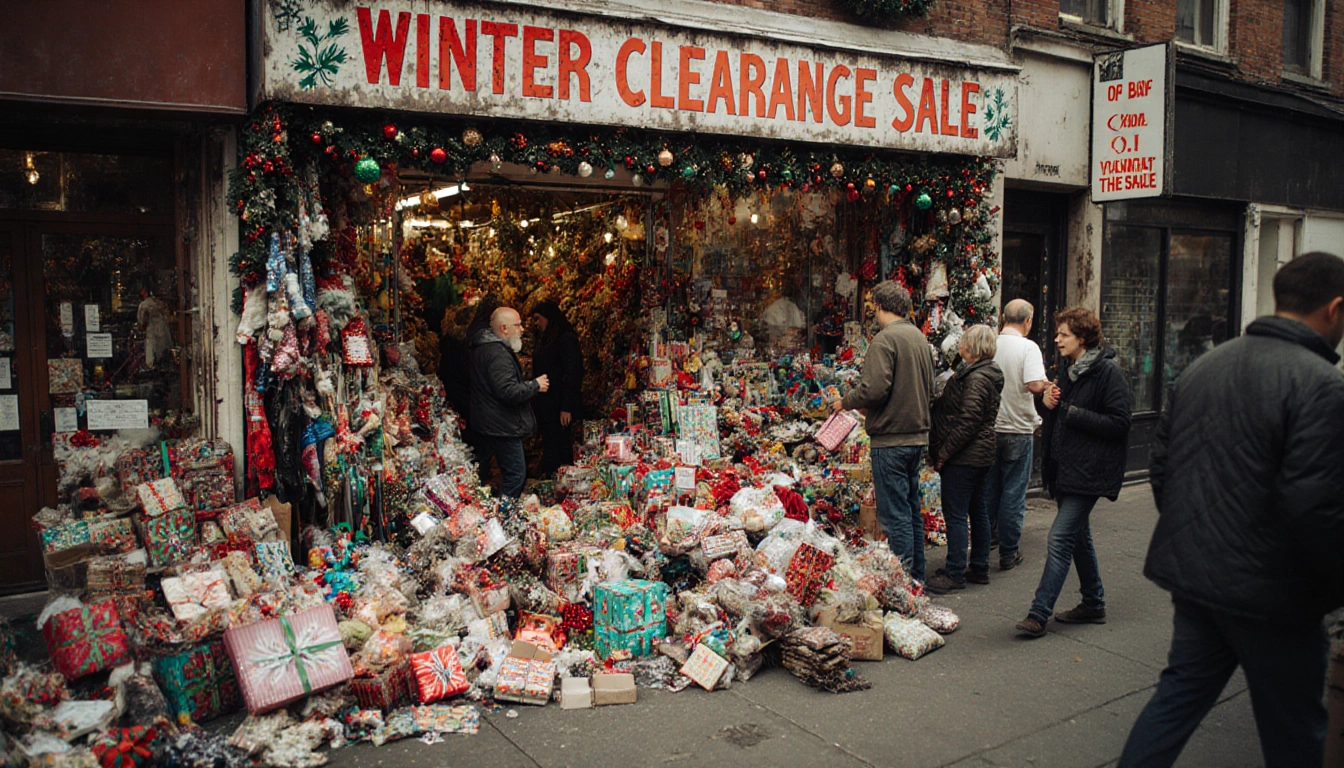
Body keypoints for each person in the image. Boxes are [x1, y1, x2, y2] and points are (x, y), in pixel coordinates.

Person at [1119, 252, 1344, 768]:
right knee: (1294, 730)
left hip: (1200, 578)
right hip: (1275, 594)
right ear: (1334, 309)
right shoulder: (1322, 387)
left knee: (1176, 700)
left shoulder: (1205, 366)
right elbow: (1316, 509)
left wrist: (1194, 534)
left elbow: (1162, 466)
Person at [1015, 306, 1131, 638]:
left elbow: (1121, 423)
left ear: (1082, 338)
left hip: (1089, 471)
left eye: (1063, 334)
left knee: (1061, 537)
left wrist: (1073, 412)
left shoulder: (1109, 373)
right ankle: (1093, 602)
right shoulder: (1069, 370)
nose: (1057, 340)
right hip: (1065, 468)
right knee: (1079, 536)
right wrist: (1045, 403)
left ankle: (1039, 614)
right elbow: (1057, 412)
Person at [832, 281, 935, 581]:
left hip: (891, 440)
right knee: (912, 510)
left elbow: (874, 390)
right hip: (916, 437)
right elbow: (930, 390)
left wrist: (846, 401)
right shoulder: (919, 338)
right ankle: (917, 578)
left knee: (895, 516)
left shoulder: (884, 340)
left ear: (879, 306)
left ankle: (904, 583)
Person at [925, 324, 1004, 594]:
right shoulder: (982, 374)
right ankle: (979, 566)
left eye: (962, 342)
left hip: (965, 456)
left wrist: (945, 452)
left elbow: (969, 420)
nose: (958, 346)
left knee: (956, 513)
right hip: (978, 454)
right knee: (977, 509)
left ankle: (955, 571)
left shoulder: (977, 377)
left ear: (971, 348)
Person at [984, 299, 1049, 571]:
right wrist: (1048, 384)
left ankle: (987, 540)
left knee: (989, 489)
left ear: (1002, 317)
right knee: (1013, 492)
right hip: (1018, 429)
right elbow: (1034, 384)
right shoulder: (1028, 347)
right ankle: (1009, 552)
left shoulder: (989, 344)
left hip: (990, 429)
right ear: (1028, 321)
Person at [468, 307, 548, 498]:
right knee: (516, 474)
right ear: (504, 328)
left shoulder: (485, 348)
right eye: (517, 325)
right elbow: (508, 391)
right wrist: (535, 386)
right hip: (501, 426)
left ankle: (485, 512)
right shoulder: (497, 354)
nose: (522, 330)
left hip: (488, 423)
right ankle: (505, 517)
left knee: (480, 472)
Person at [530, 300, 584, 476]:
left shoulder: (565, 339)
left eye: (538, 319)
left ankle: (563, 482)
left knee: (561, 444)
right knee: (551, 443)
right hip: (547, 403)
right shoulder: (545, 338)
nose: (536, 323)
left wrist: (566, 407)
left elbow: (573, 373)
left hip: (559, 403)